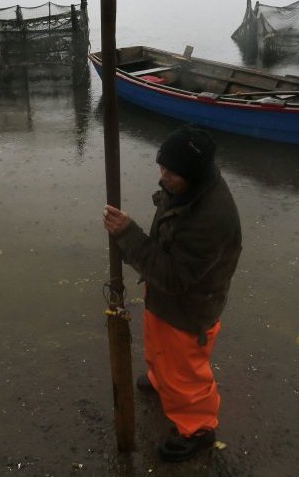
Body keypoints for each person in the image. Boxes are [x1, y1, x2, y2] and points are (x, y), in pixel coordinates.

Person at [102, 125, 242, 462]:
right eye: (161, 167)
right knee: (158, 347)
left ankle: (198, 430)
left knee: (186, 375)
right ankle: (161, 378)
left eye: (171, 172)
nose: (162, 177)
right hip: (165, 301)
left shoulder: (211, 218)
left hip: (188, 309)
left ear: (191, 175)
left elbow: (174, 277)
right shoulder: (188, 188)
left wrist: (128, 236)